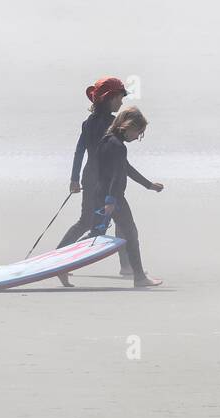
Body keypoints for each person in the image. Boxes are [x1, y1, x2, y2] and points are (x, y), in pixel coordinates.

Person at [58, 76, 137, 274]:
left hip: (89, 176)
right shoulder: (113, 124)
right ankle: (126, 266)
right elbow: (119, 157)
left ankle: (58, 257)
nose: (121, 102)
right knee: (122, 221)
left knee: (85, 221)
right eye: (119, 97)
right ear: (109, 98)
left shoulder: (88, 123)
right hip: (107, 180)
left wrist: (74, 179)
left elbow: (79, 151)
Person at [89, 106, 162, 289]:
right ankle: (139, 278)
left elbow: (125, 169)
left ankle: (63, 264)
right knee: (131, 234)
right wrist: (111, 202)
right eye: (138, 132)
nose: (137, 137)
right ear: (127, 126)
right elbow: (116, 175)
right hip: (114, 198)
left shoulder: (106, 140)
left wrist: (148, 185)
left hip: (100, 193)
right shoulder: (118, 147)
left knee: (96, 234)